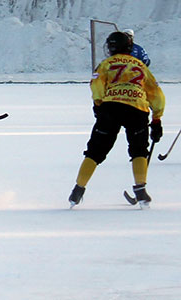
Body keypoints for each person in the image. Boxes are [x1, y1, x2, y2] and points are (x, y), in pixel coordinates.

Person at [68, 31, 164, 209]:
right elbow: (155, 93)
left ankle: (78, 189)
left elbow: (96, 84)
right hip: (137, 109)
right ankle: (141, 190)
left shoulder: (106, 64)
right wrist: (157, 118)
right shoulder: (141, 66)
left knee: (95, 152)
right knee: (139, 151)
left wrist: (98, 104)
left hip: (111, 107)